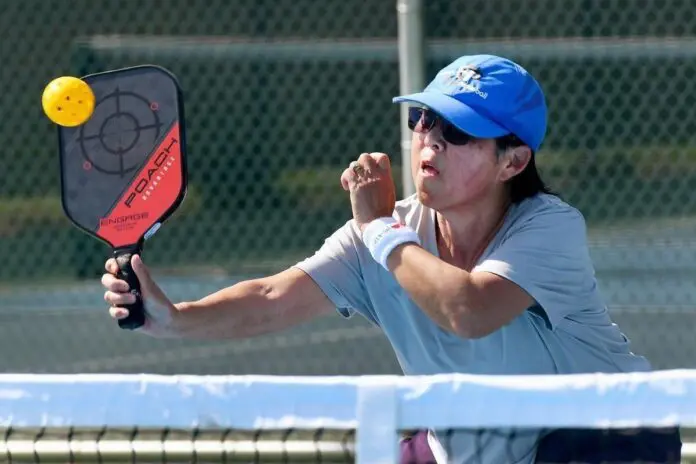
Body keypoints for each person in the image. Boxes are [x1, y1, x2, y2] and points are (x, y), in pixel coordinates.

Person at [101, 54, 681, 463]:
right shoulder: (380, 234)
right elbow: (274, 298)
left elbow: (468, 310)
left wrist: (378, 227)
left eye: (456, 129)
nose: (428, 138)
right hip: (469, 446)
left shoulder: (549, 227)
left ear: (513, 161)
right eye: (421, 119)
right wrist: (171, 316)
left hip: (606, 437)